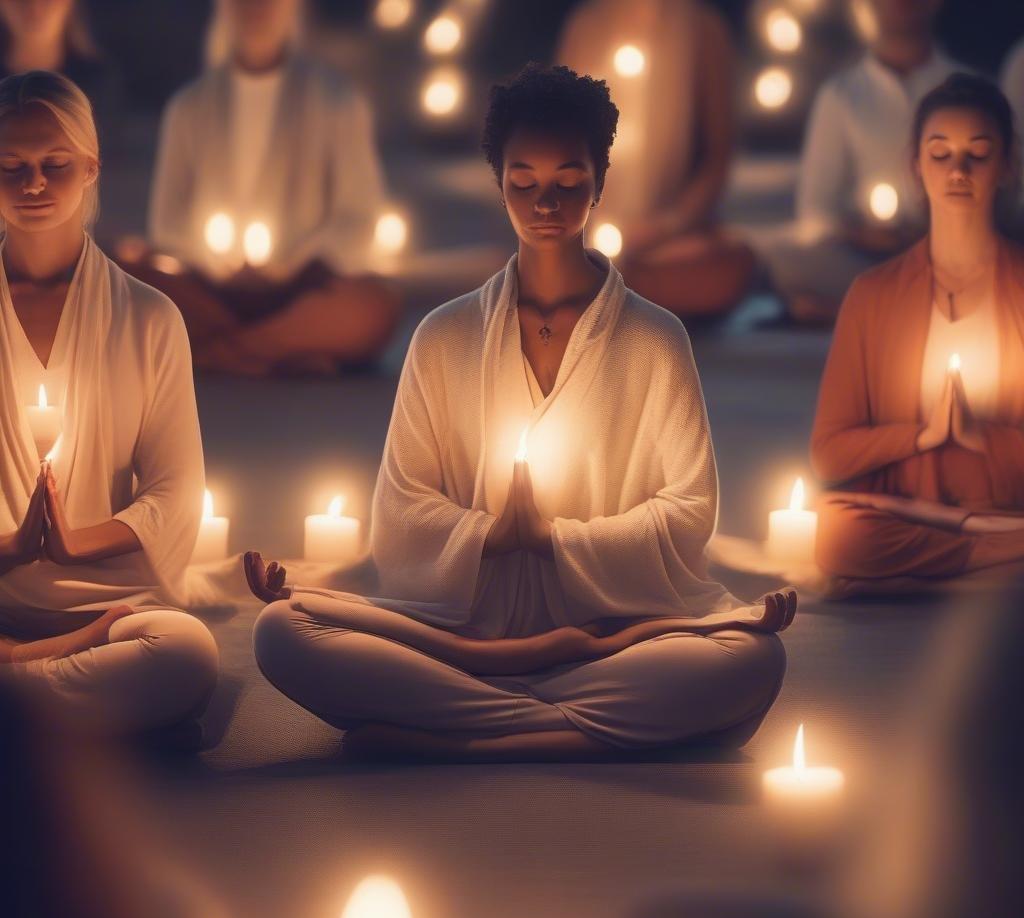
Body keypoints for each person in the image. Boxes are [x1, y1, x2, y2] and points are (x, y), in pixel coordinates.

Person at [246, 65, 793, 762]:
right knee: (283, 632)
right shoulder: (444, 336)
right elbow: (401, 508)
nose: (546, 202)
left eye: (569, 180)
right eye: (523, 181)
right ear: (497, 180)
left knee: (751, 660)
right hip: (463, 632)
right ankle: (561, 725)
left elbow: (689, 510)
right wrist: (494, 537)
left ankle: (471, 737)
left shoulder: (655, 339)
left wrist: (557, 539)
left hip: (608, 631)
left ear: (601, 179)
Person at [0, 71, 218, 736]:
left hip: (115, 604)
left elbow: (177, 492)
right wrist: (14, 547)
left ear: (90, 167)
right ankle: (45, 690)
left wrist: (73, 544)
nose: (33, 184)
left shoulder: (149, 318)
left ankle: (19, 683)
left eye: (55, 164)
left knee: (186, 656)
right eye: (11, 167)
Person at [810, 74, 1024, 598]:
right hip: (908, 510)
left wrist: (983, 438)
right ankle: (994, 560)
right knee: (835, 532)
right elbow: (829, 454)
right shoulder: (873, 294)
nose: (958, 170)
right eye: (940, 153)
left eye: (978, 153)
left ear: (1006, 167)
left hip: (1009, 507)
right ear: (916, 166)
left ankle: (950, 567)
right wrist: (922, 435)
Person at [124, 0, 399, 376]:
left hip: (303, 292)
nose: (256, 7)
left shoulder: (337, 101)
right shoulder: (189, 107)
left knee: (374, 305)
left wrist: (298, 264)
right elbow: (166, 223)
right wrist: (214, 262)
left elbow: (358, 214)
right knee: (128, 278)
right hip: (209, 290)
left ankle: (223, 352)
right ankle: (284, 351)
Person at [556, 0, 754, 319]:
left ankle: (605, 286)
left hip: (668, 243)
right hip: (592, 228)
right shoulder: (586, 27)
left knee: (731, 264)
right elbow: (561, 142)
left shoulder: (702, 29)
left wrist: (666, 225)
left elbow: (717, 159)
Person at [768, 0, 962, 323]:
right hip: (866, 257)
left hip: (946, 253)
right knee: (785, 258)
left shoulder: (965, 89)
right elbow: (815, 213)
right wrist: (863, 234)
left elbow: (1002, 202)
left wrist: (934, 228)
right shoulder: (841, 95)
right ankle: (913, 307)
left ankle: (856, 312)